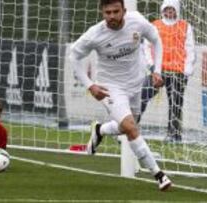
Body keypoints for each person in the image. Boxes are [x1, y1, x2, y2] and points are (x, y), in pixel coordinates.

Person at [69, 0, 172, 191]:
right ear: (102, 13)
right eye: (107, 12)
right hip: (111, 88)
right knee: (131, 128)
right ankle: (159, 175)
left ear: (124, 11)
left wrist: (157, 70)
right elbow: (73, 56)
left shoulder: (137, 22)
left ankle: (100, 130)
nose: (111, 16)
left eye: (116, 11)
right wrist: (90, 85)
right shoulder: (95, 34)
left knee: (128, 126)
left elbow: (156, 40)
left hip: (136, 83)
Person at [140, 0, 196, 142]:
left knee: (176, 103)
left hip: (178, 71)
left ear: (177, 10)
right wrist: (152, 66)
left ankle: (174, 134)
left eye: (172, 9)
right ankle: (129, 125)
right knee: (143, 95)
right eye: (167, 9)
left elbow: (190, 48)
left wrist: (187, 68)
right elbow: (146, 46)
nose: (169, 12)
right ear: (163, 10)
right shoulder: (155, 25)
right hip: (158, 71)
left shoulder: (185, 26)